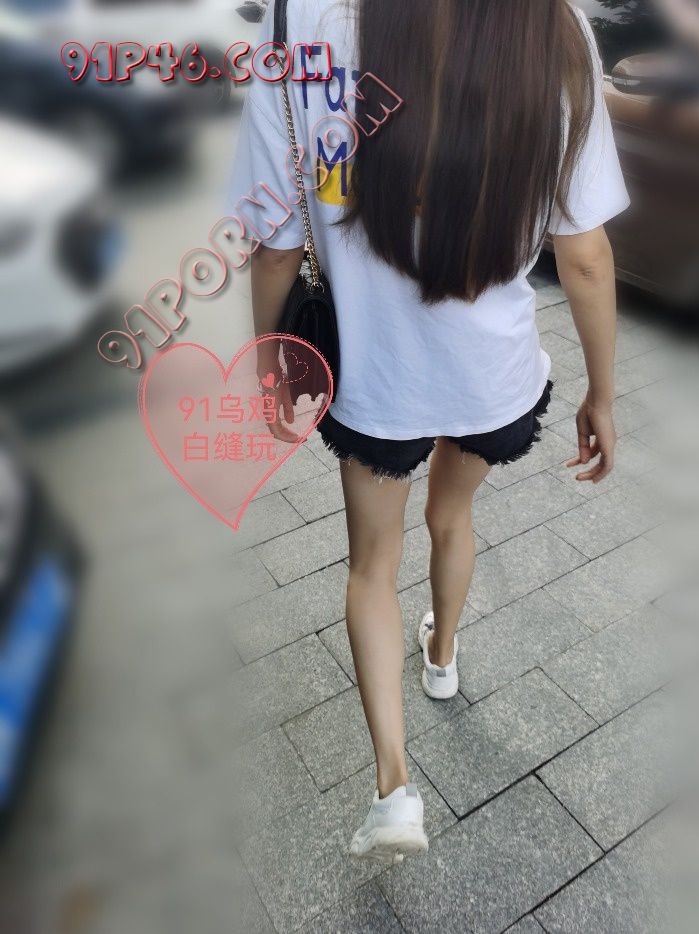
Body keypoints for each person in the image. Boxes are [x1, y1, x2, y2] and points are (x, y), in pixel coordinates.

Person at [227, 0, 629, 863]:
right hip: (491, 375)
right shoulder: (553, 25)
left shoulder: (299, 23)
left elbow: (274, 245)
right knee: (453, 517)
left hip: (376, 378)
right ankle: (442, 655)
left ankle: (393, 789)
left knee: (373, 567)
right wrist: (603, 390)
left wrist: (272, 366)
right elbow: (586, 253)